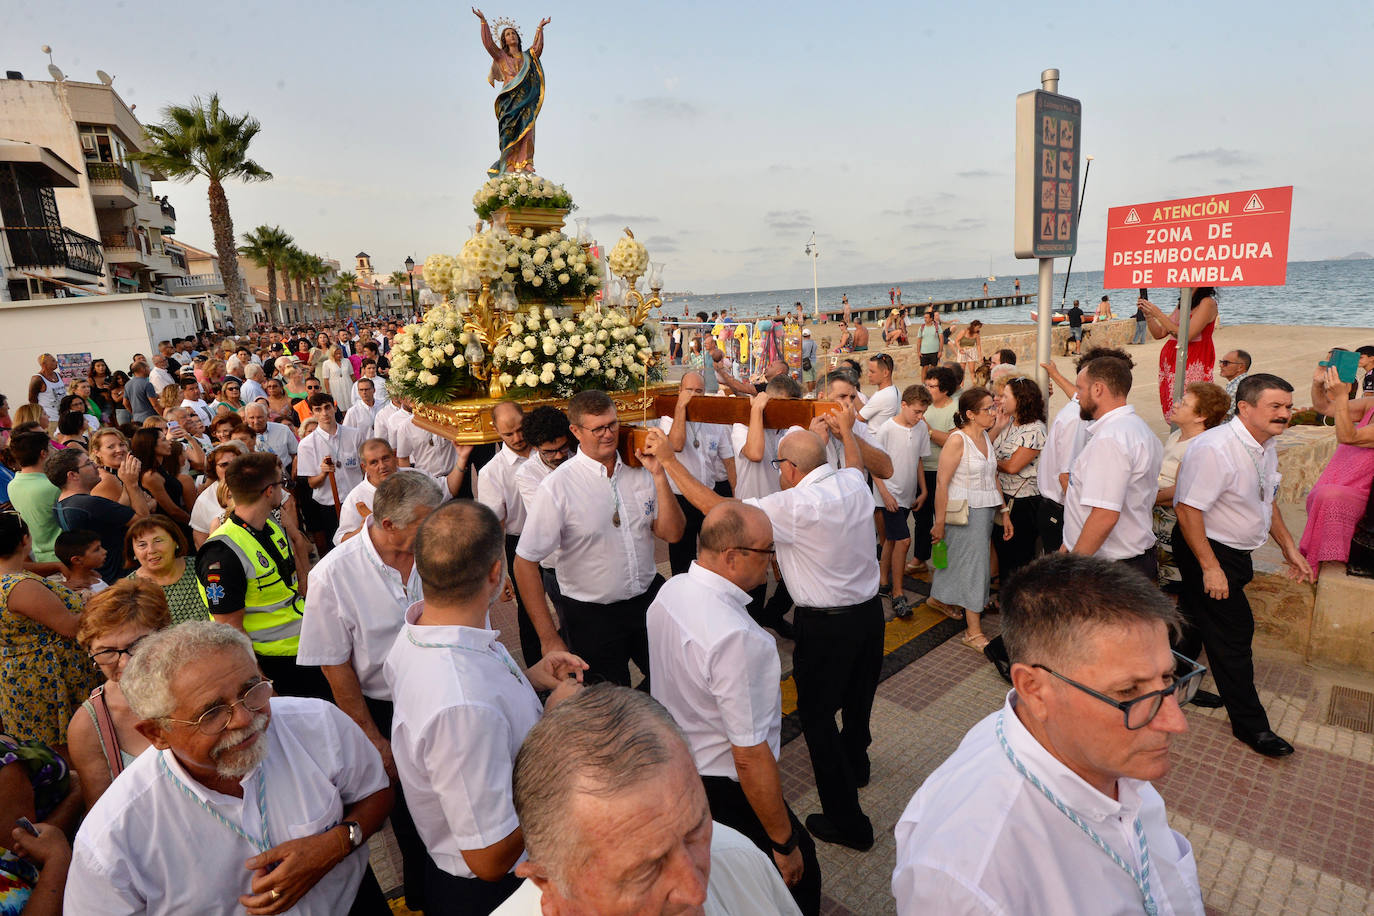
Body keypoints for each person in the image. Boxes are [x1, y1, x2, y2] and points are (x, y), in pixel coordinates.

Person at [892, 554, 1206, 916]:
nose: (1176, 722)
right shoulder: (971, 882)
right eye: (1128, 692)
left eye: (1167, 679)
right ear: (1035, 689)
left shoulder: (1099, 755)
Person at [643, 416, 883, 852]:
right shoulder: (852, 481)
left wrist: (668, 462)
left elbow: (720, 512)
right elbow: (853, 461)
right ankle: (858, 764)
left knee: (816, 718)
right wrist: (846, 432)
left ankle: (848, 822)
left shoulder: (794, 506)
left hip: (826, 625)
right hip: (869, 615)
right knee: (859, 697)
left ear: (789, 469)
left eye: (779, 467)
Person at [65, 621, 395, 914]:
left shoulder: (316, 724)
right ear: (156, 733)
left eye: (251, 690)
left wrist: (337, 844)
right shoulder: (112, 839)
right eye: (211, 713)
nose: (244, 719)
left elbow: (376, 793)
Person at [385, 501, 586, 915]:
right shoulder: (460, 702)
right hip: (493, 892)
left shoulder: (426, 630)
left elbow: (483, 705)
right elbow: (489, 858)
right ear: (497, 571)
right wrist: (556, 728)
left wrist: (529, 679)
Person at [647, 505, 821, 914]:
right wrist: (784, 842)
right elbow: (749, 754)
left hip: (677, 768)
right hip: (725, 789)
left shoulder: (671, 591)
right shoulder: (739, 639)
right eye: (766, 552)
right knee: (797, 878)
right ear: (731, 557)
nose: (772, 563)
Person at [499, 685, 801, 915]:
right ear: (548, 887)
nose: (696, 892)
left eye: (695, 832)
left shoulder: (739, 858)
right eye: (644, 870)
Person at [300, 472, 447, 913]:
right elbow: (334, 664)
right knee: (410, 814)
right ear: (389, 526)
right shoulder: (334, 575)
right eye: (427, 521)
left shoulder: (436, 550)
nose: (438, 528)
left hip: (442, 694)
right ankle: (427, 899)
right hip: (386, 709)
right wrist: (373, 738)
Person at [1173, 374, 1314, 757]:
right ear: (1246, 408)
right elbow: (1187, 510)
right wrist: (1210, 567)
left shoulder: (1263, 444)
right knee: (1234, 635)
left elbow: (1266, 502)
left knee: (1193, 621)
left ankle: (1173, 684)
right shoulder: (1215, 449)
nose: (1285, 414)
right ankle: (1252, 727)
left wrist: (1288, 547)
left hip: (1230, 552)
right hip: (1207, 549)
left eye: (1288, 406)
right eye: (1276, 407)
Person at [514, 390, 685, 685]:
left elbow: (673, 532)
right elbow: (524, 562)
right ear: (575, 432)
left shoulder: (640, 468)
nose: (608, 435)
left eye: (613, 425)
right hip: (591, 617)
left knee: (672, 682)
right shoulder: (557, 487)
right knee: (610, 703)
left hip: (647, 600)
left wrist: (659, 476)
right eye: (598, 429)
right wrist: (548, 637)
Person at [195, 452, 328, 699]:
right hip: (275, 663)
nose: (284, 491)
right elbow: (230, 629)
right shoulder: (222, 553)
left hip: (305, 645)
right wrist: (260, 682)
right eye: (281, 484)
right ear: (269, 491)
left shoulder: (270, 526)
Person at [66, 579, 170, 808]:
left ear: (165, 636)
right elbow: (103, 819)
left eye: (139, 644)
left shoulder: (201, 687)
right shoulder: (88, 726)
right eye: (107, 652)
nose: (126, 662)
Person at [0, 512, 99, 753]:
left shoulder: (15, 579)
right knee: (67, 749)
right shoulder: (18, 586)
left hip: (23, 673)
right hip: (47, 677)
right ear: (25, 540)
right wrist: (100, 602)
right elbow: (69, 626)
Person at [1063, 355, 1164, 582]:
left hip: (1109, 567)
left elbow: (1105, 515)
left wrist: (1072, 570)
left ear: (1098, 389)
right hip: (1125, 560)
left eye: (1080, 388)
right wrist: (1067, 545)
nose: (1076, 395)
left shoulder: (1111, 439)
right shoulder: (1137, 428)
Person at [927, 388, 1010, 647]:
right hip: (964, 511)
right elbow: (942, 483)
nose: (994, 412)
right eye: (989, 409)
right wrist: (938, 523)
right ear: (971, 414)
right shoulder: (957, 440)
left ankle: (938, 597)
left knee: (959, 560)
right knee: (976, 567)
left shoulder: (985, 436)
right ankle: (973, 631)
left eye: (993, 407)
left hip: (984, 511)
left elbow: (993, 477)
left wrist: (1004, 512)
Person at [477, 402, 543, 667]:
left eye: (520, 429)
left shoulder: (549, 451)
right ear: (495, 431)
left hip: (563, 538)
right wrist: (500, 570)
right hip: (521, 542)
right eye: (508, 434)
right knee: (529, 612)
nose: (517, 439)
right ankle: (537, 669)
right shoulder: (491, 472)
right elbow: (494, 527)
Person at [660, 373, 737, 576]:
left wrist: (736, 496)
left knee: (714, 553)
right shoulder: (669, 417)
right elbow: (675, 444)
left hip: (708, 495)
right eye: (688, 390)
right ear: (679, 391)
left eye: (698, 391)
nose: (693, 395)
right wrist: (680, 408)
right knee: (681, 557)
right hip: (680, 498)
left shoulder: (713, 418)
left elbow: (728, 461)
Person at [1154, 382, 1230, 585]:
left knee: (1171, 582)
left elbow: (1180, 491)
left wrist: (1147, 498)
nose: (1176, 405)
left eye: (1184, 403)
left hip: (1173, 520)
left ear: (1200, 416)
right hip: (1156, 514)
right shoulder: (1176, 435)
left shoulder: (1200, 446)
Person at [1301, 366, 1374, 575]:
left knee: (1329, 496)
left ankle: (1323, 561)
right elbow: (1325, 407)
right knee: (1325, 494)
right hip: (1341, 482)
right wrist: (1317, 384)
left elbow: (1348, 436)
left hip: (1364, 495)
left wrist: (1342, 395)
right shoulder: (1371, 404)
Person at [49, 448, 151, 585]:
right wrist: (132, 484)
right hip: (122, 578)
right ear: (73, 475)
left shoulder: (61, 504)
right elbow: (145, 523)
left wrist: (126, 482)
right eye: (88, 463)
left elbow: (114, 514)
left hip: (105, 576)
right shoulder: (90, 504)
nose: (96, 465)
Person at [474, 9, 552, 175]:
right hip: (509, 101)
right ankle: (509, 161)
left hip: (526, 99)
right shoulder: (501, 56)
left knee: (527, 129)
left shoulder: (528, 56)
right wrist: (483, 21)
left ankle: (526, 162)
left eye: (514, 33)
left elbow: (538, 48)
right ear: (504, 40)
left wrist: (540, 28)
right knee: (509, 130)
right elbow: (488, 44)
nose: (512, 36)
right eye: (508, 34)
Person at [990, 377, 1047, 595]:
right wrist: (997, 427)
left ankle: (1018, 604)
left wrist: (988, 463)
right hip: (1003, 497)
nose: (1000, 399)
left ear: (1021, 399)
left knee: (1018, 557)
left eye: (1005, 396)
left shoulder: (1035, 430)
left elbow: (1013, 466)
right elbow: (986, 446)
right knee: (1003, 552)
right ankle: (1005, 598)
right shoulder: (1009, 422)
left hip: (1022, 502)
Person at [297, 392, 367, 549]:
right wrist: (323, 473)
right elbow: (312, 483)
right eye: (318, 409)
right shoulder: (307, 444)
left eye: (327, 407)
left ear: (334, 407)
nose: (324, 413)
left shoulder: (354, 435)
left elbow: (364, 468)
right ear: (313, 413)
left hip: (356, 500)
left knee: (363, 542)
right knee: (339, 546)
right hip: (329, 505)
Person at [1140, 287, 1219, 420]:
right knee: (1174, 407)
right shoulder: (1183, 302)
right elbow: (1159, 333)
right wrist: (1149, 315)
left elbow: (1185, 335)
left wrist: (1158, 314)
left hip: (1192, 360)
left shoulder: (1207, 303)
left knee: (1192, 406)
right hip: (1171, 364)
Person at [125, 515, 211, 624]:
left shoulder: (202, 567)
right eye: (142, 545)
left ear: (175, 542)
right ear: (133, 552)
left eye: (158, 541)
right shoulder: (127, 589)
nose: (151, 550)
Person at [7, 429, 62, 563]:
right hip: (62, 557)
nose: (55, 449)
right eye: (50, 446)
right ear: (43, 454)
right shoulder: (52, 486)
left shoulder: (13, 484)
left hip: (39, 556)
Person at [52, 529, 108, 600]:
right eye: (96, 549)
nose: (104, 551)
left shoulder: (96, 578)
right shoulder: (78, 595)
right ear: (77, 560)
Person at [859, 353, 900, 429]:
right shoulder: (895, 390)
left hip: (873, 439)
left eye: (872, 372)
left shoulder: (881, 396)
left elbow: (858, 420)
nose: (869, 375)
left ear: (885, 373)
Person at [26, 354, 67, 424]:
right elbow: (32, 399)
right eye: (53, 361)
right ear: (44, 364)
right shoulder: (37, 379)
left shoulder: (58, 375)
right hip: (50, 419)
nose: (56, 362)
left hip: (63, 417)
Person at [320, 345, 356, 413]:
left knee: (350, 405)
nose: (339, 355)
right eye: (337, 354)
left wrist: (356, 386)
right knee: (339, 406)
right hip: (335, 387)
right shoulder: (326, 363)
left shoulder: (347, 361)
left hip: (348, 385)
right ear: (332, 354)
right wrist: (328, 392)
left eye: (340, 353)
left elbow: (352, 375)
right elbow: (326, 379)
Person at [1218, 348, 1251, 420]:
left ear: (1240, 367)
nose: (1221, 365)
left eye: (1226, 363)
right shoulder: (1244, 382)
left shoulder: (1236, 387)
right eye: (1221, 362)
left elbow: (1220, 416)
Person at [800, 328, 818, 393]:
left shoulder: (801, 344)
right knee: (814, 378)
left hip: (806, 362)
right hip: (814, 361)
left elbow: (801, 353)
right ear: (809, 335)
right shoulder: (814, 342)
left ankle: (810, 393)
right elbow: (815, 349)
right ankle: (814, 391)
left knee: (809, 379)